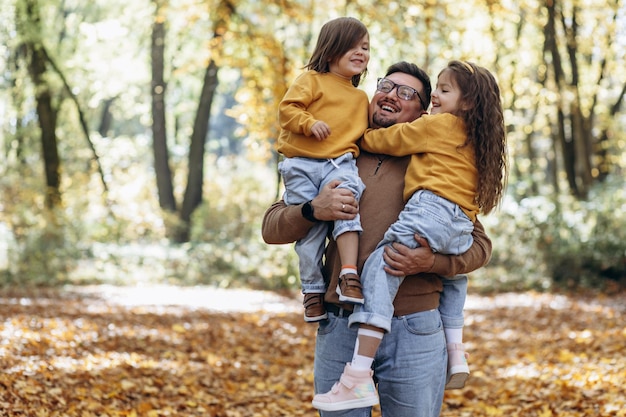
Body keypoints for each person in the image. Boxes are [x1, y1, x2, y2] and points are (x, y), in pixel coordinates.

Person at [262, 61, 493, 417]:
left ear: (423, 109)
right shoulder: (334, 155)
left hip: (414, 329)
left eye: (407, 93)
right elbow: (271, 227)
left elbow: (479, 245)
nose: (391, 96)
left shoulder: (437, 158)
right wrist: (313, 209)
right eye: (385, 86)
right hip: (340, 325)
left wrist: (432, 263)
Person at [276, 17, 370, 322]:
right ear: (331, 51)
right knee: (312, 230)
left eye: (366, 47)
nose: (361, 52)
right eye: (353, 46)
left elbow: (369, 135)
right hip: (302, 164)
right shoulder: (311, 80)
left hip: (339, 163)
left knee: (346, 208)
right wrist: (309, 123)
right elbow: (287, 110)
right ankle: (312, 291)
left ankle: (349, 275)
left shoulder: (361, 98)